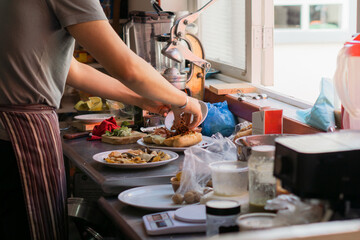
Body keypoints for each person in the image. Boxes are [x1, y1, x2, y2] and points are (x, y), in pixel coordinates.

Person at [0, 0, 202, 239]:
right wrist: (185, 101)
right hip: (19, 135)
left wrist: (139, 99)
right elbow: (127, 68)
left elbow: (70, 69)